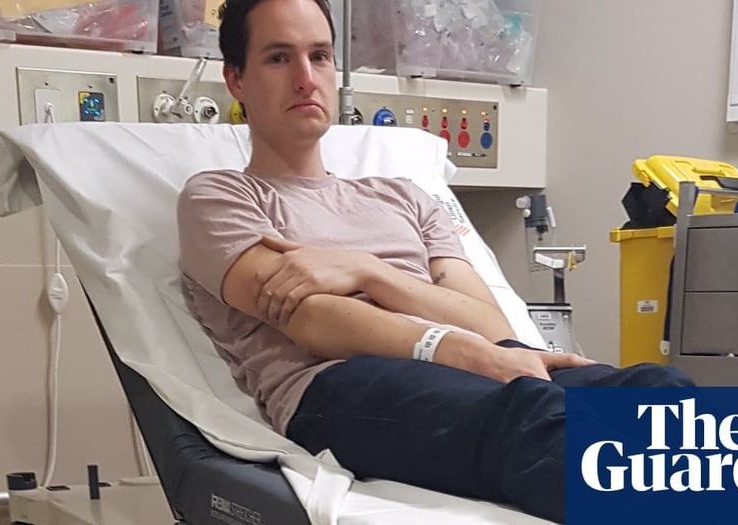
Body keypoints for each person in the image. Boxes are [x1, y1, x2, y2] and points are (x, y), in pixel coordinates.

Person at [176, 0, 693, 521]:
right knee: (542, 421)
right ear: (236, 79)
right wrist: (468, 351)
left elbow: (488, 321)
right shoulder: (220, 198)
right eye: (278, 58)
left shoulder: (404, 196)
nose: (306, 79)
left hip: (481, 359)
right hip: (339, 384)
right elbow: (316, 320)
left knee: (661, 392)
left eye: (320, 56)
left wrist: (367, 272)